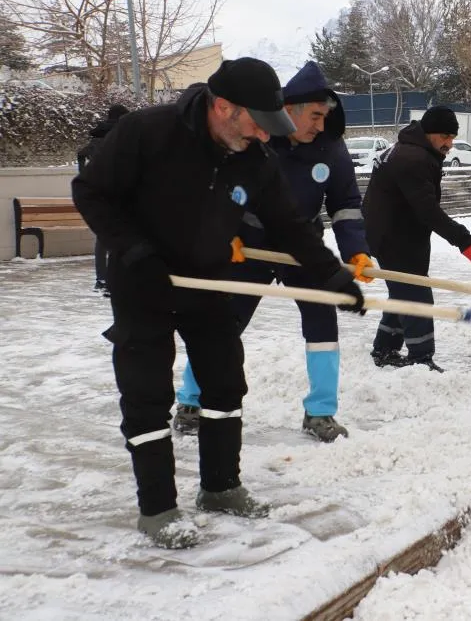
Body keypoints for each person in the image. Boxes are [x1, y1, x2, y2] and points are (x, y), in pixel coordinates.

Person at [71, 57, 366, 549]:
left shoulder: (254, 157)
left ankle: (221, 488)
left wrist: (331, 274)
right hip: (143, 280)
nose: (265, 137)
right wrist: (135, 251)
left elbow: (288, 225)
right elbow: (92, 192)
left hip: (207, 278)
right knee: (146, 393)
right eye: (257, 124)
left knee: (225, 381)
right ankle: (158, 508)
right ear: (223, 106)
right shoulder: (149, 132)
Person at [171, 61, 371, 444]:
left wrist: (357, 252)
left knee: (323, 326)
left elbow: (345, 205)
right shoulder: (258, 139)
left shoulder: (332, 149)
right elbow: (222, 187)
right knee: (222, 325)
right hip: (249, 246)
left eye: (325, 116)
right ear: (290, 111)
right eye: (315, 115)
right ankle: (191, 401)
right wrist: (224, 232)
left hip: (303, 248)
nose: (321, 125)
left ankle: (320, 413)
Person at [362, 106, 471, 373]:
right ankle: (421, 358)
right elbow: (427, 210)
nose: (449, 144)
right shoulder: (412, 158)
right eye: (444, 137)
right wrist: (463, 240)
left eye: (452, 137)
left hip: (396, 230)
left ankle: (385, 349)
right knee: (416, 294)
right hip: (394, 234)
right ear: (428, 133)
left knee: (403, 290)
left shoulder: (411, 149)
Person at [77, 103, 129, 297]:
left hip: (99, 194)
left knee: (102, 238)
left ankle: (101, 278)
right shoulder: (121, 136)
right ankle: (116, 279)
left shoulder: (94, 141)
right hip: (119, 193)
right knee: (123, 236)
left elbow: (81, 160)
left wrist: (86, 178)